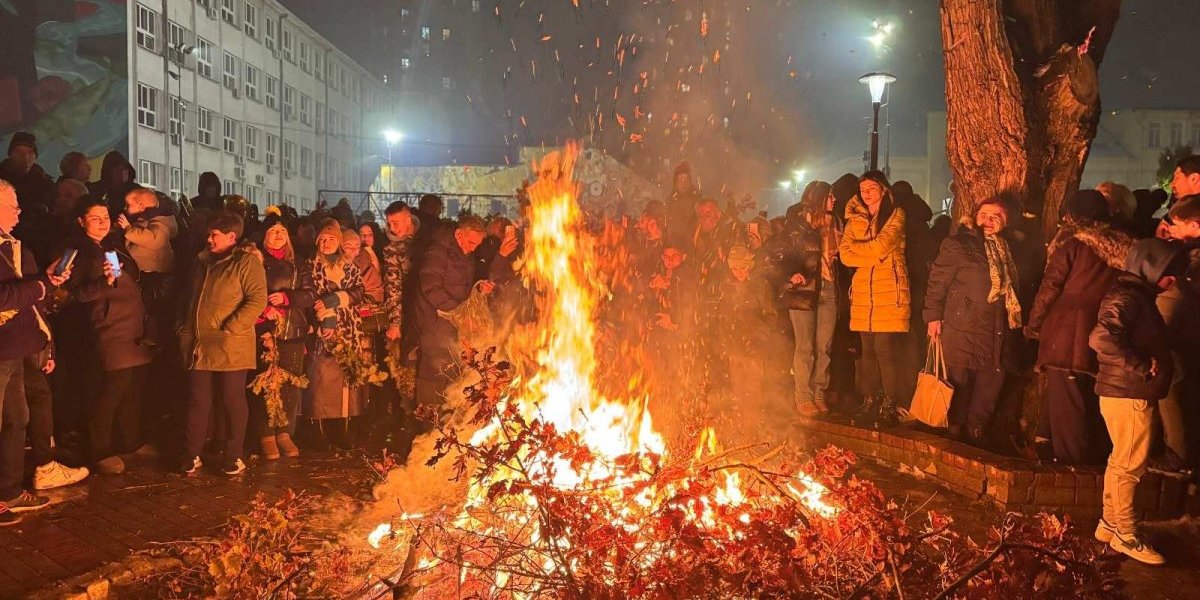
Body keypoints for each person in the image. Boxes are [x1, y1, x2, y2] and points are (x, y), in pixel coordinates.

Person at [1089, 238, 1182, 566]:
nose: (1174, 279)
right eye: (1169, 272)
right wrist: (1142, 365)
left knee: (1121, 460)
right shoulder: (1129, 297)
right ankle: (1126, 534)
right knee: (1130, 465)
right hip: (1128, 394)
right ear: (1150, 269)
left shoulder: (1132, 296)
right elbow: (1100, 337)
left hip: (1123, 392)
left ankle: (1110, 523)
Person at [1025, 191, 1132, 464]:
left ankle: (1073, 464)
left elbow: (1050, 288)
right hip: (1102, 324)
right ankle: (1047, 444)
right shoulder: (1122, 246)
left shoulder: (1072, 245)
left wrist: (1034, 323)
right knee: (1073, 391)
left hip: (1067, 328)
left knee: (1068, 396)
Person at [924, 198, 1025, 447]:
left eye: (996, 216)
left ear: (1006, 222)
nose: (988, 221)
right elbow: (938, 283)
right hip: (963, 327)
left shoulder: (1011, 250)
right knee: (960, 381)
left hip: (999, 330)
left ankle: (977, 430)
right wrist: (932, 317)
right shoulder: (958, 244)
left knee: (991, 383)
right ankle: (955, 432)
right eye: (984, 215)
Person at [0, 179, 72, 524]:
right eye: (13, 205)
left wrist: (44, 282)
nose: (19, 212)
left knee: (17, 420)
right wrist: (39, 286)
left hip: (14, 349)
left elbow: (24, 292)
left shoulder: (10, 245)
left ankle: (9, 492)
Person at [65, 198, 154, 474]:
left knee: (133, 388)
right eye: (95, 218)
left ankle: (130, 441)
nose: (103, 222)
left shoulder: (111, 246)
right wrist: (103, 283)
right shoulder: (76, 252)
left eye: (105, 216)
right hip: (109, 331)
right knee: (111, 390)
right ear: (81, 221)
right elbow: (78, 294)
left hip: (132, 331)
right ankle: (99, 449)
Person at [178, 211, 267, 476]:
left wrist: (232, 327)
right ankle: (191, 454)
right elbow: (189, 299)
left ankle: (233, 455)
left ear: (231, 236)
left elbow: (257, 299)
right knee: (198, 400)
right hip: (199, 343)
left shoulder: (246, 263)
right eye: (208, 233)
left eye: (214, 234)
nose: (209, 239)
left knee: (231, 400)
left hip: (230, 344)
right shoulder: (201, 262)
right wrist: (182, 327)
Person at [414, 216, 516, 408]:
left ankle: (446, 419)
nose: (473, 248)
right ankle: (427, 421)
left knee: (452, 372)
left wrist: (479, 289)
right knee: (433, 372)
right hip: (435, 324)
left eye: (477, 244)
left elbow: (466, 286)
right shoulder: (437, 254)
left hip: (453, 326)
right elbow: (431, 288)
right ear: (459, 234)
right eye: (471, 242)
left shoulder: (465, 253)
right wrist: (458, 311)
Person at [838, 170, 913, 427]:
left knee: (886, 351)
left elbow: (882, 246)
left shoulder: (895, 214)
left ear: (883, 188)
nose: (866, 193)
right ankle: (870, 399)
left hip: (889, 292)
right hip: (863, 295)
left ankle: (889, 403)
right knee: (867, 352)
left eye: (871, 187)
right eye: (862, 189)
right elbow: (845, 255)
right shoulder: (854, 220)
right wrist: (871, 254)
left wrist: (866, 252)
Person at [770, 181, 841, 414]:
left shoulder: (836, 224)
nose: (834, 200)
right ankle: (802, 395)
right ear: (818, 199)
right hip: (804, 292)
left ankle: (819, 392)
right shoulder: (797, 227)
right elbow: (778, 257)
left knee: (824, 346)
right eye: (829, 196)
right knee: (805, 347)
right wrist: (792, 274)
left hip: (828, 289)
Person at [303, 220, 370, 446]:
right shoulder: (310, 267)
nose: (327, 243)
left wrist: (337, 298)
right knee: (321, 381)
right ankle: (319, 433)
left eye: (332, 239)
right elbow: (311, 296)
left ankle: (342, 430)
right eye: (323, 239)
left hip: (348, 329)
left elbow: (359, 291)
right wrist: (326, 318)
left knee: (345, 382)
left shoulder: (349, 266)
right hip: (321, 330)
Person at [252, 215, 313, 460]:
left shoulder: (299, 264)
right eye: (273, 231)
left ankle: (285, 432)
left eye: (282, 231)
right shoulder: (255, 261)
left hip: (292, 331)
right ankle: (265, 432)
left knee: (291, 385)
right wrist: (263, 307)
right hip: (265, 330)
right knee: (264, 383)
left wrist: (288, 298)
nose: (278, 235)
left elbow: (310, 294)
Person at [1150, 196, 1200, 475]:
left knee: (1174, 389)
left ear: (1195, 225)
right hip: (1184, 333)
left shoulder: (1193, 258)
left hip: (1184, 335)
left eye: (1178, 225)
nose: (1173, 229)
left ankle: (1178, 455)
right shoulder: (1188, 251)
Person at [88, 151, 138, 217]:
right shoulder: (96, 189)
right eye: (118, 171)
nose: (122, 174)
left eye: (125, 170)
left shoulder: (136, 191)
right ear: (109, 173)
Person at [665, 161, 701, 235]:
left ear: (690, 181)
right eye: (680, 181)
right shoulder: (670, 201)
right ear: (675, 183)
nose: (683, 184)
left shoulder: (697, 199)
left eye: (685, 180)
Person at [52, 151, 91, 220]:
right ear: (74, 167)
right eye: (85, 165)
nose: (90, 169)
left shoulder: (90, 188)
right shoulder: (61, 187)